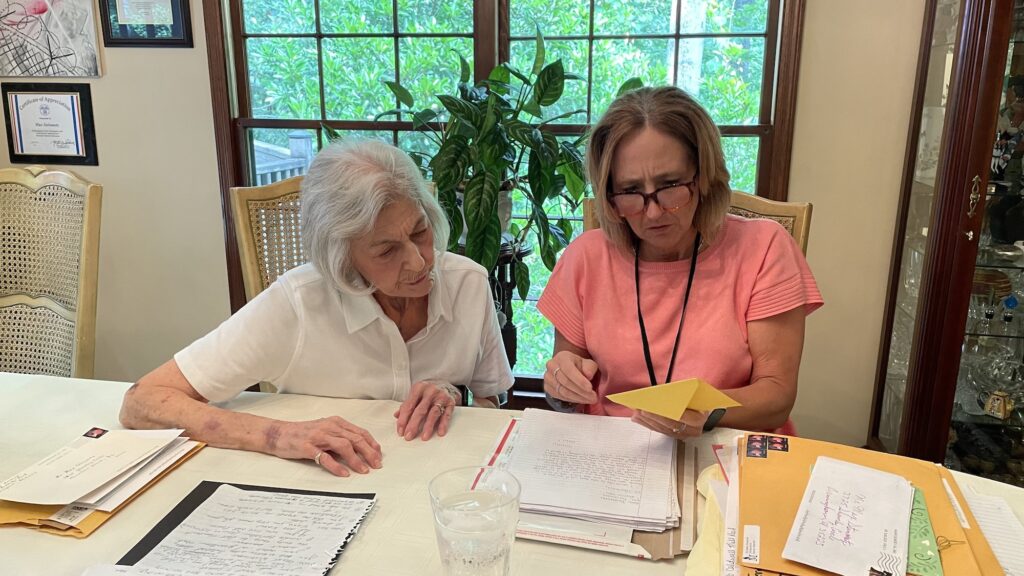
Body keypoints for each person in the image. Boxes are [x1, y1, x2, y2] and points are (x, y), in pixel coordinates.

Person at [120, 140, 513, 477]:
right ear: (341, 257)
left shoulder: (468, 283)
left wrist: (453, 393)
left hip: (432, 482)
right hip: (323, 489)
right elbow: (143, 402)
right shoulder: (298, 302)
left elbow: (492, 403)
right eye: (386, 251)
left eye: (420, 231)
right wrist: (278, 435)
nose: (418, 261)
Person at [539, 86, 823, 439]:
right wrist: (562, 386)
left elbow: (776, 396)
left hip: (724, 443)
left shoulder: (763, 248)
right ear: (609, 196)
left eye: (670, 185)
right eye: (630, 192)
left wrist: (705, 413)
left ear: (703, 177)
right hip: (615, 448)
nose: (653, 213)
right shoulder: (585, 257)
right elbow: (566, 390)